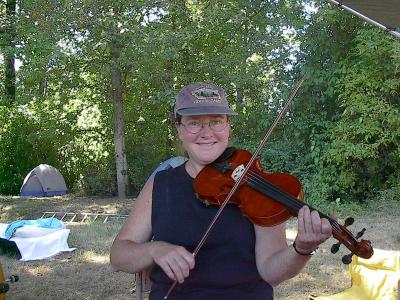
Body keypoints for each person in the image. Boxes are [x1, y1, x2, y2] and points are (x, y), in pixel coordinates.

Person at [110, 82, 333, 300]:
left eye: (216, 121)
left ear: (228, 126)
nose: (207, 133)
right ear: (179, 129)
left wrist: (301, 249)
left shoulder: (254, 185)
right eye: (194, 123)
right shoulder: (161, 184)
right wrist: (154, 250)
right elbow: (118, 255)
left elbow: (271, 271)